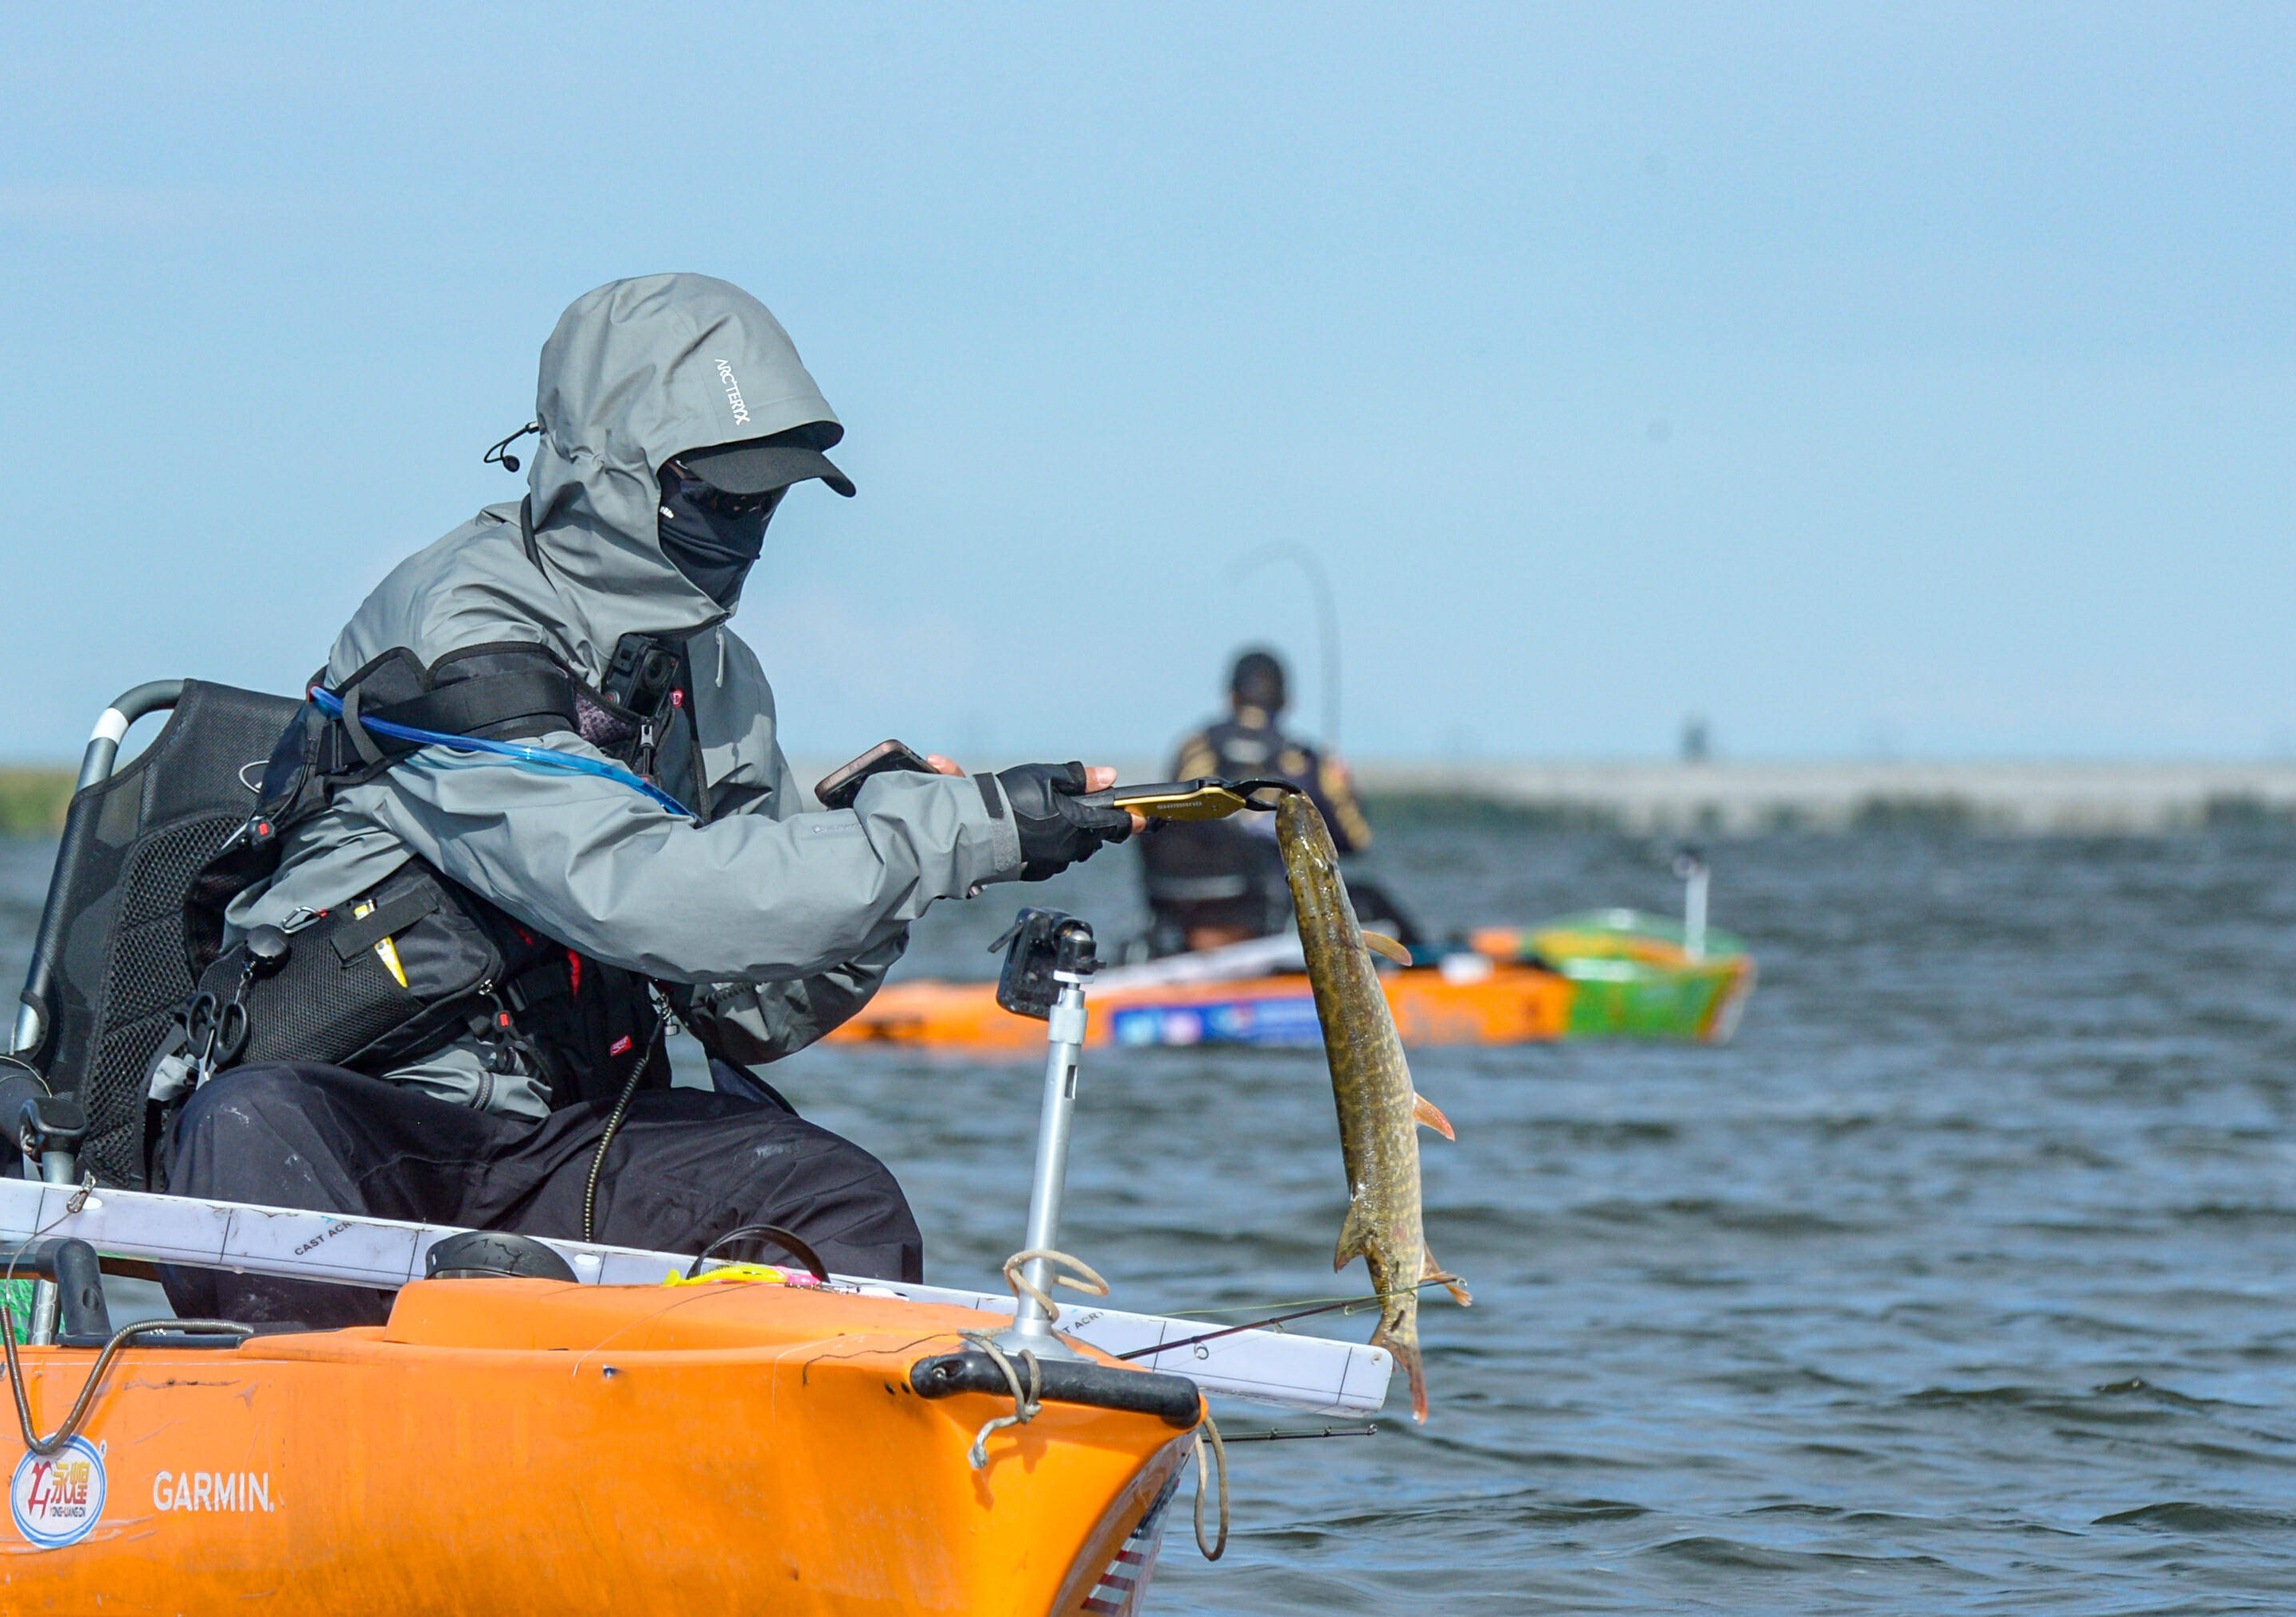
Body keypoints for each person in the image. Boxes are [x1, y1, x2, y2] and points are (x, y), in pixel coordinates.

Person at [154, 274, 1139, 1327]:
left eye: (764, 501)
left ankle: (752, 1445)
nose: (745, 527)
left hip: (563, 1140)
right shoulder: (459, 624)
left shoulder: (712, 674)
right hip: (372, 1114)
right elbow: (645, 893)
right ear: (611, 474)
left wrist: (880, 862)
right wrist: (945, 833)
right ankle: (330, 1425)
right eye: (718, 496)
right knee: (250, 1127)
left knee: (837, 1197)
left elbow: (755, 1007)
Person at [1137, 647, 1422, 954]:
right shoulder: (1308, 761)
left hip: (1182, 917)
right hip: (1269, 918)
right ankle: (1429, 969)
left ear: (1231, 696)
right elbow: (1356, 840)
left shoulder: (1191, 750)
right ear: (1285, 702)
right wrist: (1344, 790)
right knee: (1369, 898)